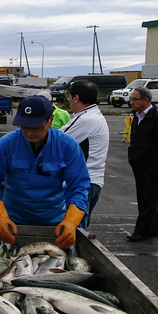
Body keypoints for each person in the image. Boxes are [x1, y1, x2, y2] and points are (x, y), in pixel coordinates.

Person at [0, 95, 90, 249]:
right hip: (13, 222)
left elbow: (79, 185)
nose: (30, 133)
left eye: (36, 127)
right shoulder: (5, 145)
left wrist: (71, 221)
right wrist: (0, 217)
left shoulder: (67, 146)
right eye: (24, 126)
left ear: (50, 120)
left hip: (54, 223)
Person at [126, 86, 158, 242]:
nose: (131, 102)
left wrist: (155, 164)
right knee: (144, 198)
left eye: (135, 99)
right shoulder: (137, 116)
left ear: (146, 100)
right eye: (131, 99)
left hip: (152, 167)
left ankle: (140, 231)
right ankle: (152, 228)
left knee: (148, 198)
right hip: (139, 165)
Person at [61, 80, 110, 230]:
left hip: (83, 183)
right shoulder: (93, 116)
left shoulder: (86, 119)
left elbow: (58, 139)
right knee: (79, 231)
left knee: (74, 232)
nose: (69, 100)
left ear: (76, 98)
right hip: (92, 181)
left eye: (69, 97)